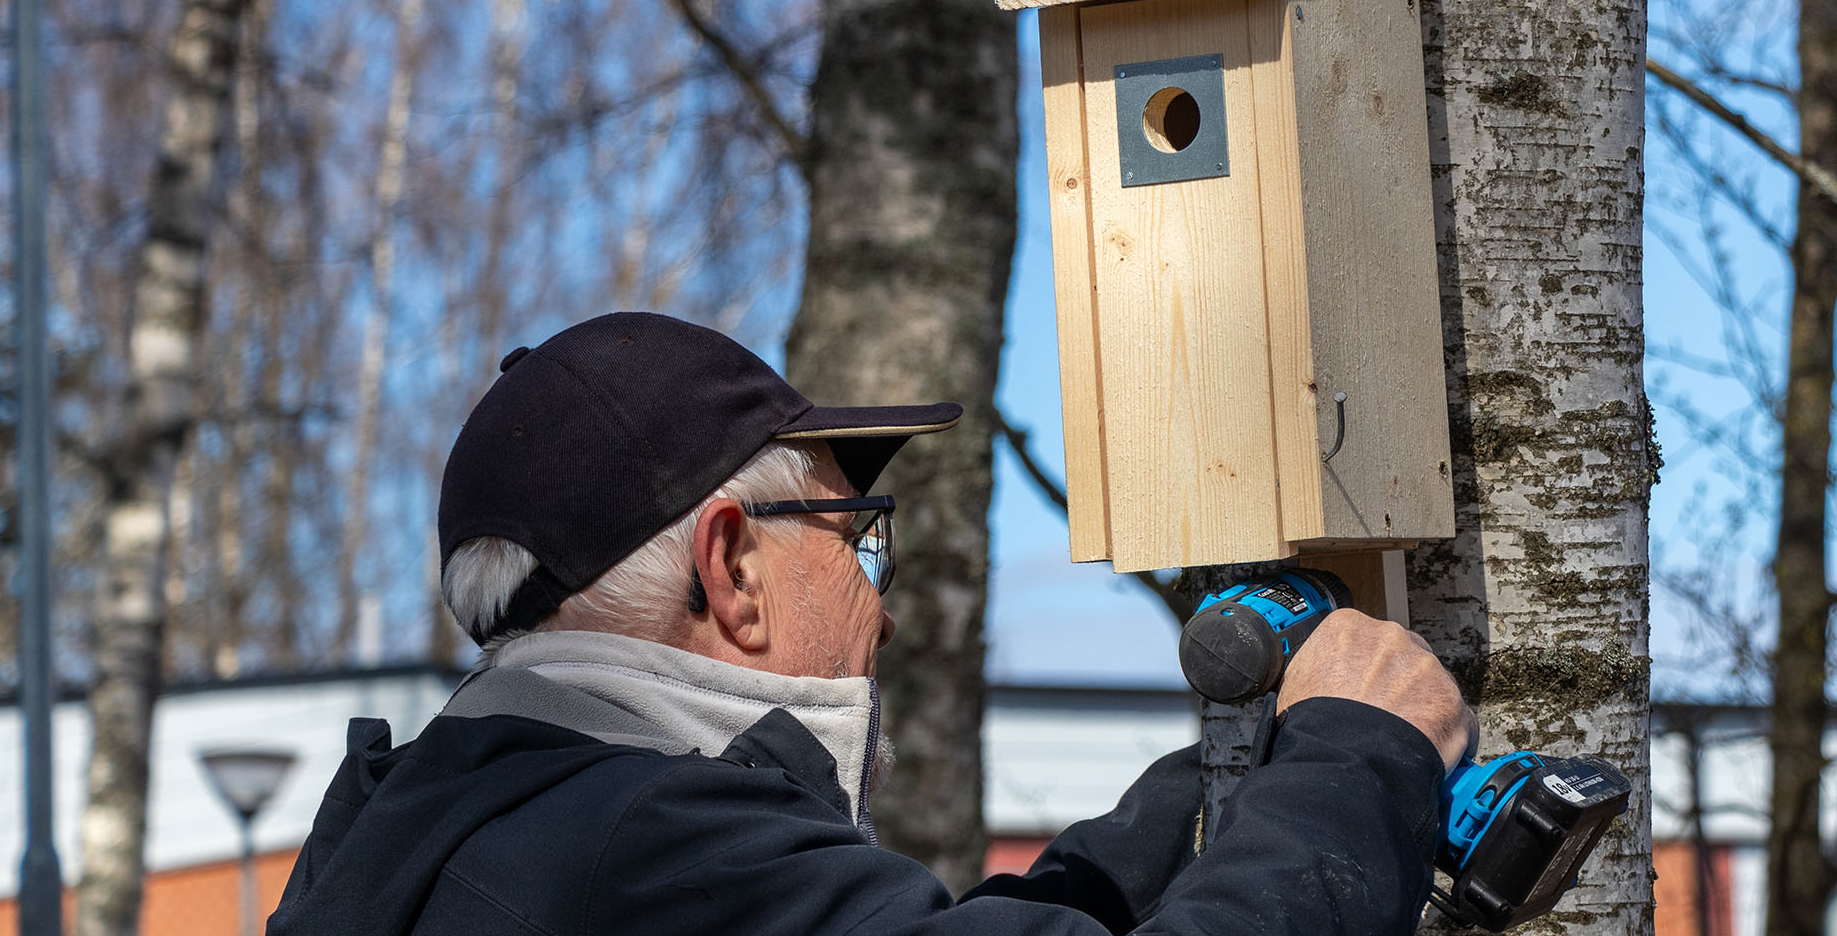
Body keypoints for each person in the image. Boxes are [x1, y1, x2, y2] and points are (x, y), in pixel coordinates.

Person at [269, 311, 1472, 936]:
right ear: (730, 565)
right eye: (856, 542)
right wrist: (1360, 755)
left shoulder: (426, 824)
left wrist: (1216, 786)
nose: (882, 613)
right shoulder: (650, 847)